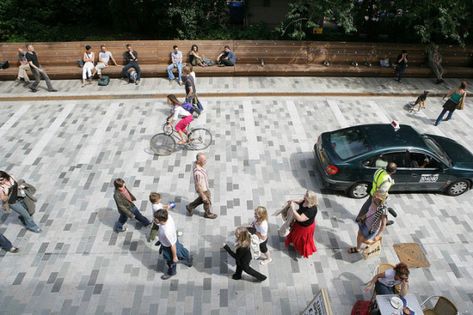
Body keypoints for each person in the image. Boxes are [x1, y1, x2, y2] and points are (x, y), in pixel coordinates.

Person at [154, 209, 193, 280]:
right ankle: (188, 259)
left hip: (169, 246)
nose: (154, 219)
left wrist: (174, 257)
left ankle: (171, 272)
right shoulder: (168, 217)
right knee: (181, 250)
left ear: (161, 220)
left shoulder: (167, 231)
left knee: (170, 260)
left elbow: (172, 245)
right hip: (172, 240)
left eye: (156, 219)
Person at [284, 190, 318, 258]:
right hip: (299, 224)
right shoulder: (305, 201)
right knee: (295, 235)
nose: (304, 196)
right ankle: (294, 243)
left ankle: (300, 248)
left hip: (305, 228)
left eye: (306, 196)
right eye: (305, 194)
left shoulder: (311, 210)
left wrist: (293, 209)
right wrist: (293, 201)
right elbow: (300, 201)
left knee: (301, 239)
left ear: (309, 199)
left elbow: (300, 219)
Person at [186, 153, 218, 219]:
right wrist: (203, 195)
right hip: (203, 189)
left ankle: (190, 206)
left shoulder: (197, 164)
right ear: (199, 161)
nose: (205, 162)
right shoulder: (197, 173)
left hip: (205, 187)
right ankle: (207, 214)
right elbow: (198, 185)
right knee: (207, 201)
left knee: (201, 200)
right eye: (204, 161)